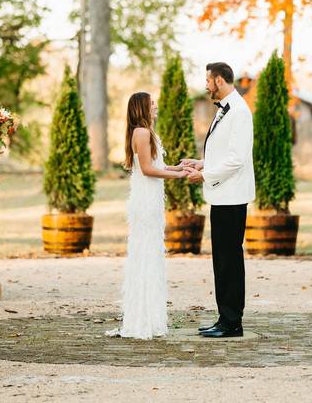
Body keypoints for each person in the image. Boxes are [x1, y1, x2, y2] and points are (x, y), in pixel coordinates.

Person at [105, 92, 188, 339]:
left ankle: (149, 317)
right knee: (145, 255)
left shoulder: (145, 132)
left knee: (151, 255)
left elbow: (156, 166)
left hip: (151, 199)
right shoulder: (141, 133)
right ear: (142, 108)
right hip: (145, 202)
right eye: (151, 103)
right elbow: (148, 170)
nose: (156, 106)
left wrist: (178, 167)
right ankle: (142, 319)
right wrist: (179, 176)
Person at [181, 62, 255, 338]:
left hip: (232, 197)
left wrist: (205, 176)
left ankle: (232, 322)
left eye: (208, 81)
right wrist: (201, 164)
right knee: (222, 260)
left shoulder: (239, 112)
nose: (206, 86)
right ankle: (225, 317)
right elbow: (225, 153)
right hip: (223, 195)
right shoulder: (228, 109)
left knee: (229, 261)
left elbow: (237, 159)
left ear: (220, 81)